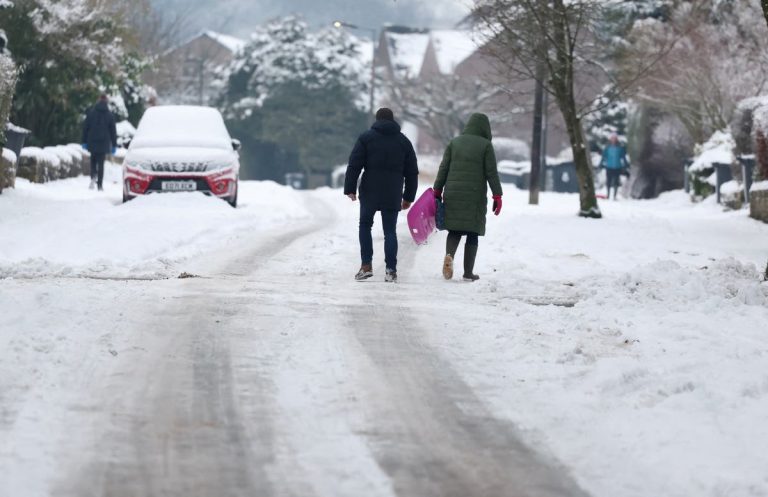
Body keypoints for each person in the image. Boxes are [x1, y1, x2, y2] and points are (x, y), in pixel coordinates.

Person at [344, 108, 419, 283]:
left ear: (377, 120)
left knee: (365, 225)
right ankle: (391, 270)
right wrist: (408, 197)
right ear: (393, 120)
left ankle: (366, 266)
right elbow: (412, 172)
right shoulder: (403, 141)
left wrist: (350, 188)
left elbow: (354, 164)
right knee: (390, 231)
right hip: (392, 191)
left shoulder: (366, 138)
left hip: (370, 189)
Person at [433, 113, 502, 282]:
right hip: (474, 194)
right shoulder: (485, 145)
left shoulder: (454, 142)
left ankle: (449, 256)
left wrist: (437, 189)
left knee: (454, 229)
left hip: (453, 192)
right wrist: (497, 195)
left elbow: (444, 168)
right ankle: (468, 272)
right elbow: (491, 173)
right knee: (472, 232)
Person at [82, 94, 117, 191]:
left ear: (98, 101)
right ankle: (100, 185)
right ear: (106, 102)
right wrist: (114, 145)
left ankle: (93, 176)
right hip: (103, 142)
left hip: (92, 141)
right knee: (101, 164)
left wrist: (84, 141)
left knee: (93, 160)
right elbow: (113, 131)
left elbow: (85, 128)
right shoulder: (109, 115)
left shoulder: (91, 113)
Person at [599, 134, 629, 200]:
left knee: (616, 181)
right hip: (609, 166)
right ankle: (608, 195)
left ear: (616, 139)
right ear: (610, 139)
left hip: (617, 166)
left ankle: (614, 196)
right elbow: (604, 156)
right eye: (612, 138)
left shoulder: (620, 148)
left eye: (614, 138)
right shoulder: (607, 147)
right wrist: (601, 164)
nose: (613, 139)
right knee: (608, 181)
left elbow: (623, 157)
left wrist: (626, 164)